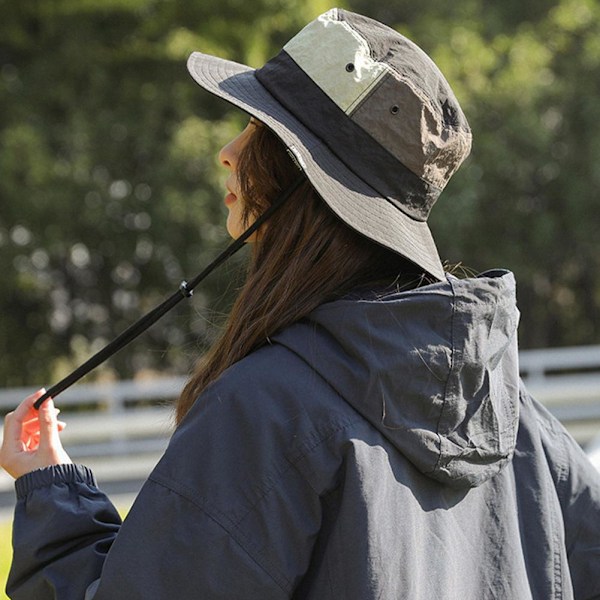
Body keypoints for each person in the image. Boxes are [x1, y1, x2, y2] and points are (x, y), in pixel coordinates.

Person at [1, 7, 600, 599]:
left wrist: (51, 494)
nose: (229, 152)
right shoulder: (515, 416)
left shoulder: (264, 412)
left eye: (260, 131)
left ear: (305, 184)